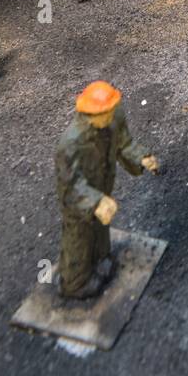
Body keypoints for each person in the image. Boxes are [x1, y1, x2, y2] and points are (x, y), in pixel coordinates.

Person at [55, 81, 159, 301]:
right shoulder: (70, 144)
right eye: (103, 114)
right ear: (90, 115)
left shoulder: (113, 118)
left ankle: (101, 259)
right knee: (78, 238)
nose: (109, 117)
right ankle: (75, 282)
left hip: (102, 185)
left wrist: (141, 157)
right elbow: (69, 184)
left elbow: (124, 143)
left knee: (101, 230)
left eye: (111, 111)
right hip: (80, 200)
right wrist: (95, 202)